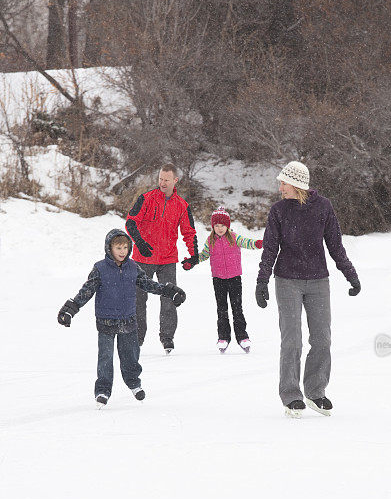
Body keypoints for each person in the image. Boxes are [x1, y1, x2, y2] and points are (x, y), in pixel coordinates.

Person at [255, 160, 361, 417]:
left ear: (296, 184)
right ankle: (291, 395)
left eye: (283, 183)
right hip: (287, 280)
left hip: (317, 281)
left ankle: (315, 391)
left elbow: (335, 245)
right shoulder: (278, 211)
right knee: (292, 340)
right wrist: (262, 281)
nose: (280, 188)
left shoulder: (323, 207)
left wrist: (351, 275)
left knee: (322, 339)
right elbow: (270, 248)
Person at [57, 229, 186, 407]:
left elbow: (148, 284)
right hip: (106, 320)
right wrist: (71, 308)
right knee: (105, 358)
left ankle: (134, 383)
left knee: (131, 356)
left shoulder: (133, 267)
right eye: (118, 247)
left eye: (125, 247)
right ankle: (102, 390)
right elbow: (86, 291)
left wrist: (169, 290)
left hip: (128, 320)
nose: (122, 251)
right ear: (109, 248)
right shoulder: (100, 268)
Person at [125, 162, 198, 354]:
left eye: (166, 180)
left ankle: (167, 339)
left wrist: (193, 255)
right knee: (139, 300)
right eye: (160, 179)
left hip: (167, 260)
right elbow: (131, 223)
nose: (162, 182)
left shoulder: (182, 205)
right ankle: (137, 338)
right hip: (143, 258)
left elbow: (189, 232)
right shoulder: (146, 199)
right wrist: (140, 243)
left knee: (169, 298)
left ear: (175, 180)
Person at [184, 206, 263, 353]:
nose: (220, 228)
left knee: (237, 308)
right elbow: (204, 255)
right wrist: (192, 262)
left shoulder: (234, 237)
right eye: (217, 226)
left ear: (228, 226)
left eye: (223, 225)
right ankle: (223, 337)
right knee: (222, 309)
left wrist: (257, 244)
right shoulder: (210, 240)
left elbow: (247, 242)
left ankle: (242, 336)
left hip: (234, 278)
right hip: (218, 279)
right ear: (213, 226)